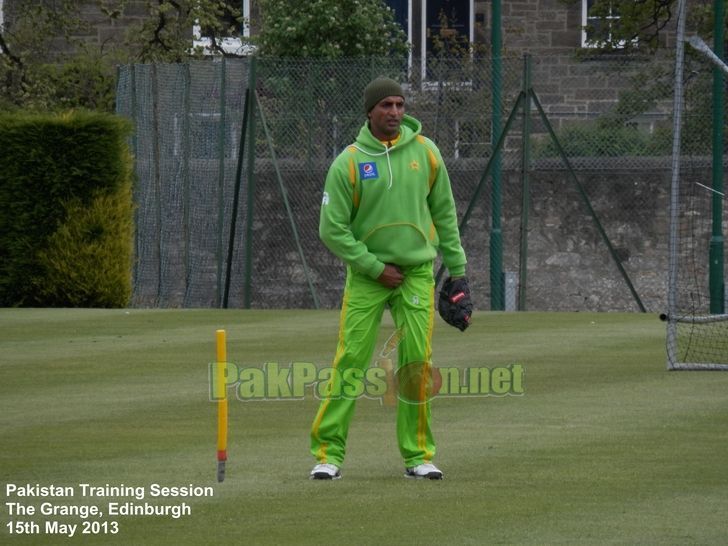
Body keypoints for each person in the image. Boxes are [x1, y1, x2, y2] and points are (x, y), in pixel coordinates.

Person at [309, 76, 469, 480]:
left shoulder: (427, 153)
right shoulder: (348, 161)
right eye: (386, 106)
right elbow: (332, 230)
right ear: (370, 111)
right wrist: (375, 268)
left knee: (417, 363)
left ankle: (418, 457)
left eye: (400, 104)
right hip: (369, 276)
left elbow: (445, 216)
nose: (395, 112)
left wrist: (459, 273)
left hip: (417, 273)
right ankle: (328, 454)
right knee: (351, 361)